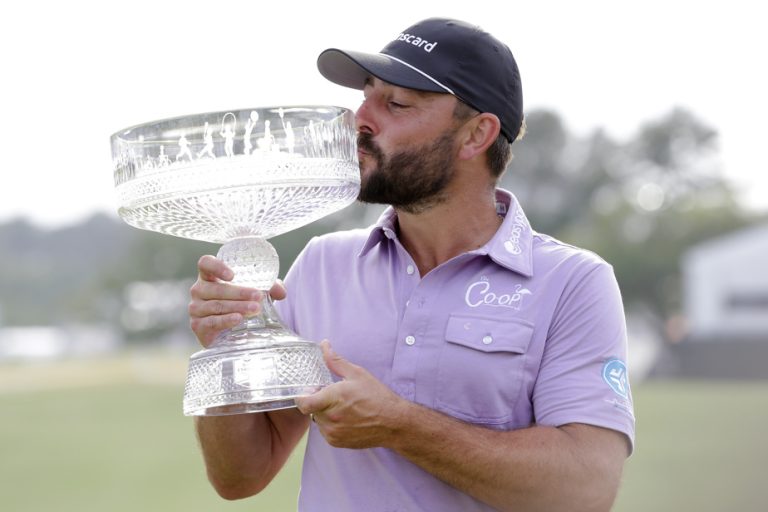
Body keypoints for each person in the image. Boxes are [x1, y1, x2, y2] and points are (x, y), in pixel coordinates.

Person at [188, 17, 635, 512]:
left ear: (475, 135)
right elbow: (240, 477)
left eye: (396, 104)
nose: (360, 118)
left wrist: (400, 425)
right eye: (367, 94)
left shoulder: (574, 282)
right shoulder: (322, 264)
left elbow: (587, 490)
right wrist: (225, 350)